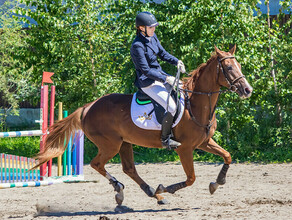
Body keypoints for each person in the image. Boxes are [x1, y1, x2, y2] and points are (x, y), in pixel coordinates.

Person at [130, 11, 186, 150]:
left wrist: (176, 61)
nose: (154, 29)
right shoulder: (137, 46)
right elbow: (145, 70)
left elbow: (162, 53)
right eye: (151, 27)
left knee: (183, 89)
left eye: (154, 26)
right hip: (147, 82)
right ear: (141, 28)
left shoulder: (153, 37)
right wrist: (166, 78)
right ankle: (165, 139)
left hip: (159, 75)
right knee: (171, 107)